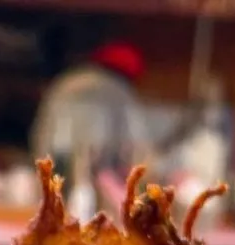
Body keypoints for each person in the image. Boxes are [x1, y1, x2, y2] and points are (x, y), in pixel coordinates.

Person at [30, 42, 148, 180]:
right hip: (97, 169)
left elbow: (42, 131)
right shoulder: (120, 90)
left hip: (53, 159)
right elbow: (136, 145)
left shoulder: (66, 81)